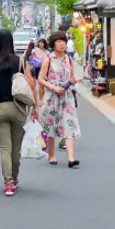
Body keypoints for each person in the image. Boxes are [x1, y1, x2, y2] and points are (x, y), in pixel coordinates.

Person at [0, 29, 38, 196]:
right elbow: (30, 83)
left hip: (0, 108)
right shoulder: (20, 61)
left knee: (4, 148)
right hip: (18, 108)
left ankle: (8, 184)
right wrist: (35, 107)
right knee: (16, 149)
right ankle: (14, 179)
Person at [39, 31, 81, 168]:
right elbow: (40, 79)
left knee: (69, 124)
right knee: (51, 126)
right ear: (53, 44)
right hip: (52, 97)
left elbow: (73, 77)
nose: (62, 43)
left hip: (66, 97)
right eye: (58, 41)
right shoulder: (48, 60)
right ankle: (51, 155)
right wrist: (53, 87)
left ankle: (71, 158)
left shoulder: (69, 60)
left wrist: (73, 81)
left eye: (63, 41)